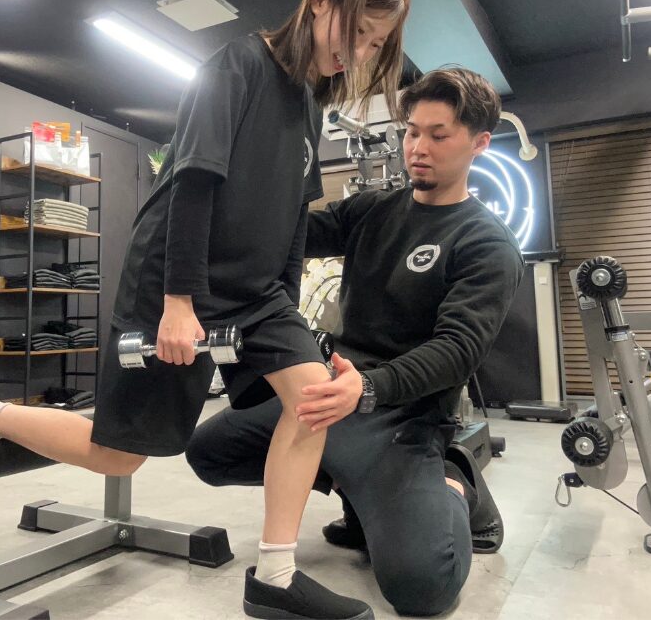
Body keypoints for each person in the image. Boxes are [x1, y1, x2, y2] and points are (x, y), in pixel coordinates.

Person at [0, 0, 410, 619]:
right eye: (358, 31)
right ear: (321, 0)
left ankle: (275, 577)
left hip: (257, 296)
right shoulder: (237, 66)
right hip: (175, 281)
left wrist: (287, 315)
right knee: (118, 457)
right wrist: (177, 304)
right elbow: (194, 186)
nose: (359, 53)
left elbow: (293, 219)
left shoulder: (310, 105)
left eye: (374, 44)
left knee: (315, 397)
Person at [185, 67, 525, 616]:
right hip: (330, 391)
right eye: (412, 132)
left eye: (438, 135)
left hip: (401, 416)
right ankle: (357, 491)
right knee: (208, 453)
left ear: (479, 143)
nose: (418, 148)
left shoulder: (487, 243)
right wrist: (239, 187)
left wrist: (368, 386)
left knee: (422, 589)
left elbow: (457, 350)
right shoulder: (375, 210)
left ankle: (455, 480)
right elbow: (293, 235)